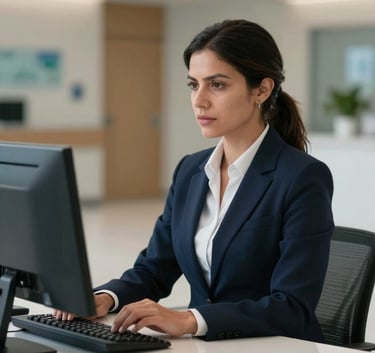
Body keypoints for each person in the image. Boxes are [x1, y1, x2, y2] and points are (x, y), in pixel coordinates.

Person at [55, 19, 334, 342]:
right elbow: (154, 269)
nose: (199, 100)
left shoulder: (301, 178)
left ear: (262, 89)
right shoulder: (191, 171)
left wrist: (190, 320)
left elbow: (292, 308)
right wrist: (105, 298)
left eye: (217, 85)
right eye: (193, 84)